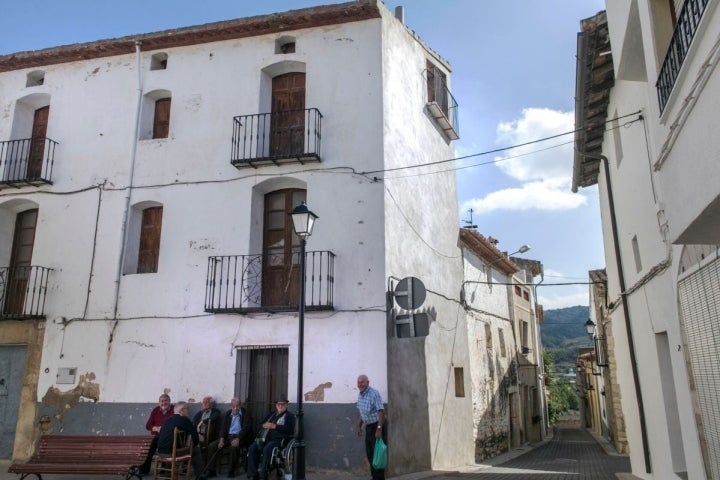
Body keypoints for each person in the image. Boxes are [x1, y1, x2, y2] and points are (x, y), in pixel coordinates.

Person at [246, 396, 296, 480]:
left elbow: (290, 430)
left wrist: (275, 426)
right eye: (278, 404)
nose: (280, 406)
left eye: (282, 404)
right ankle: (252, 475)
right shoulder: (271, 415)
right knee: (252, 448)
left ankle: (263, 475)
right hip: (264, 439)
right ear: (276, 405)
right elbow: (259, 425)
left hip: (278, 440)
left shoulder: (289, 416)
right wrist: (263, 425)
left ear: (286, 405)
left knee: (267, 449)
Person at [157, 401, 207, 480]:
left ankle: (168, 474)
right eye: (187, 409)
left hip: (160, 452)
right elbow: (195, 435)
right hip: (172, 453)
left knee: (176, 446)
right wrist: (195, 445)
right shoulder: (184, 419)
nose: (188, 411)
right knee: (195, 450)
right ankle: (200, 476)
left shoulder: (167, 420)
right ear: (182, 410)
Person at [205, 398, 253, 478]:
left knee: (233, 447)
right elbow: (223, 428)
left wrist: (238, 438)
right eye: (233, 406)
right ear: (230, 406)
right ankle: (211, 470)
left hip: (240, 436)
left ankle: (231, 471)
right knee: (212, 446)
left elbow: (246, 428)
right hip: (228, 436)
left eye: (237, 406)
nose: (235, 408)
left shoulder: (245, 413)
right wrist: (221, 439)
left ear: (240, 405)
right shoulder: (228, 414)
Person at [135, 393, 175, 475]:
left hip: (169, 436)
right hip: (156, 435)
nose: (163, 403)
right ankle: (145, 468)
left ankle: (157, 468)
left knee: (156, 442)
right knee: (150, 445)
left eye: (166, 401)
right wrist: (156, 428)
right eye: (161, 401)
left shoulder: (174, 410)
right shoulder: (156, 410)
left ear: (170, 401)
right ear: (159, 402)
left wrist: (163, 429)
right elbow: (148, 425)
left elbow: (175, 423)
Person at [356, 375, 387, 480]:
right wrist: (359, 425)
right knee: (370, 454)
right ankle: (375, 477)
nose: (360, 384)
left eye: (362, 382)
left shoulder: (374, 393)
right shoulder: (360, 395)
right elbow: (362, 412)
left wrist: (379, 429)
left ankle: (379, 478)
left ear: (368, 382)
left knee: (377, 455)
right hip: (368, 427)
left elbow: (381, 411)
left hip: (377, 426)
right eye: (358, 382)